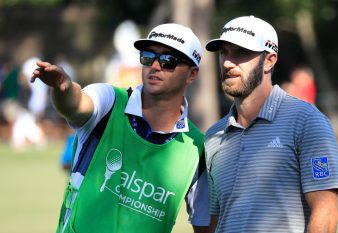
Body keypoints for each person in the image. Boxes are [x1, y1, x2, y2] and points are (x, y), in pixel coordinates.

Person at [31, 23, 210, 233]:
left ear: (192, 74)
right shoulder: (110, 100)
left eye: (168, 61)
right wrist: (63, 87)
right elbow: (76, 105)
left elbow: (204, 225)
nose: (155, 65)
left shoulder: (196, 147)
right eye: (148, 56)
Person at [204, 16, 338, 232]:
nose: (228, 62)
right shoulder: (213, 136)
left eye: (241, 53)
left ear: (269, 60)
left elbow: (325, 214)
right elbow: (214, 221)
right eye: (224, 52)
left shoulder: (307, 121)